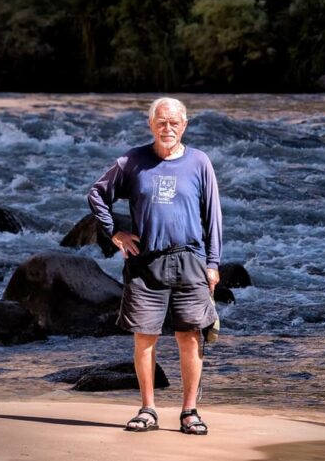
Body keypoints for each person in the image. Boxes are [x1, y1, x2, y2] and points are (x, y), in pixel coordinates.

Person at [88, 97, 221, 435]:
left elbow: (213, 218)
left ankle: (189, 411)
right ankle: (147, 409)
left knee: (189, 337)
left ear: (185, 125)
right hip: (146, 262)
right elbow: (96, 194)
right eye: (161, 122)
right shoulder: (133, 161)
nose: (168, 128)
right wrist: (115, 232)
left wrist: (213, 264)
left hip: (190, 259)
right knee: (144, 338)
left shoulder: (200, 162)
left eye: (175, 122)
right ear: (150, 124)